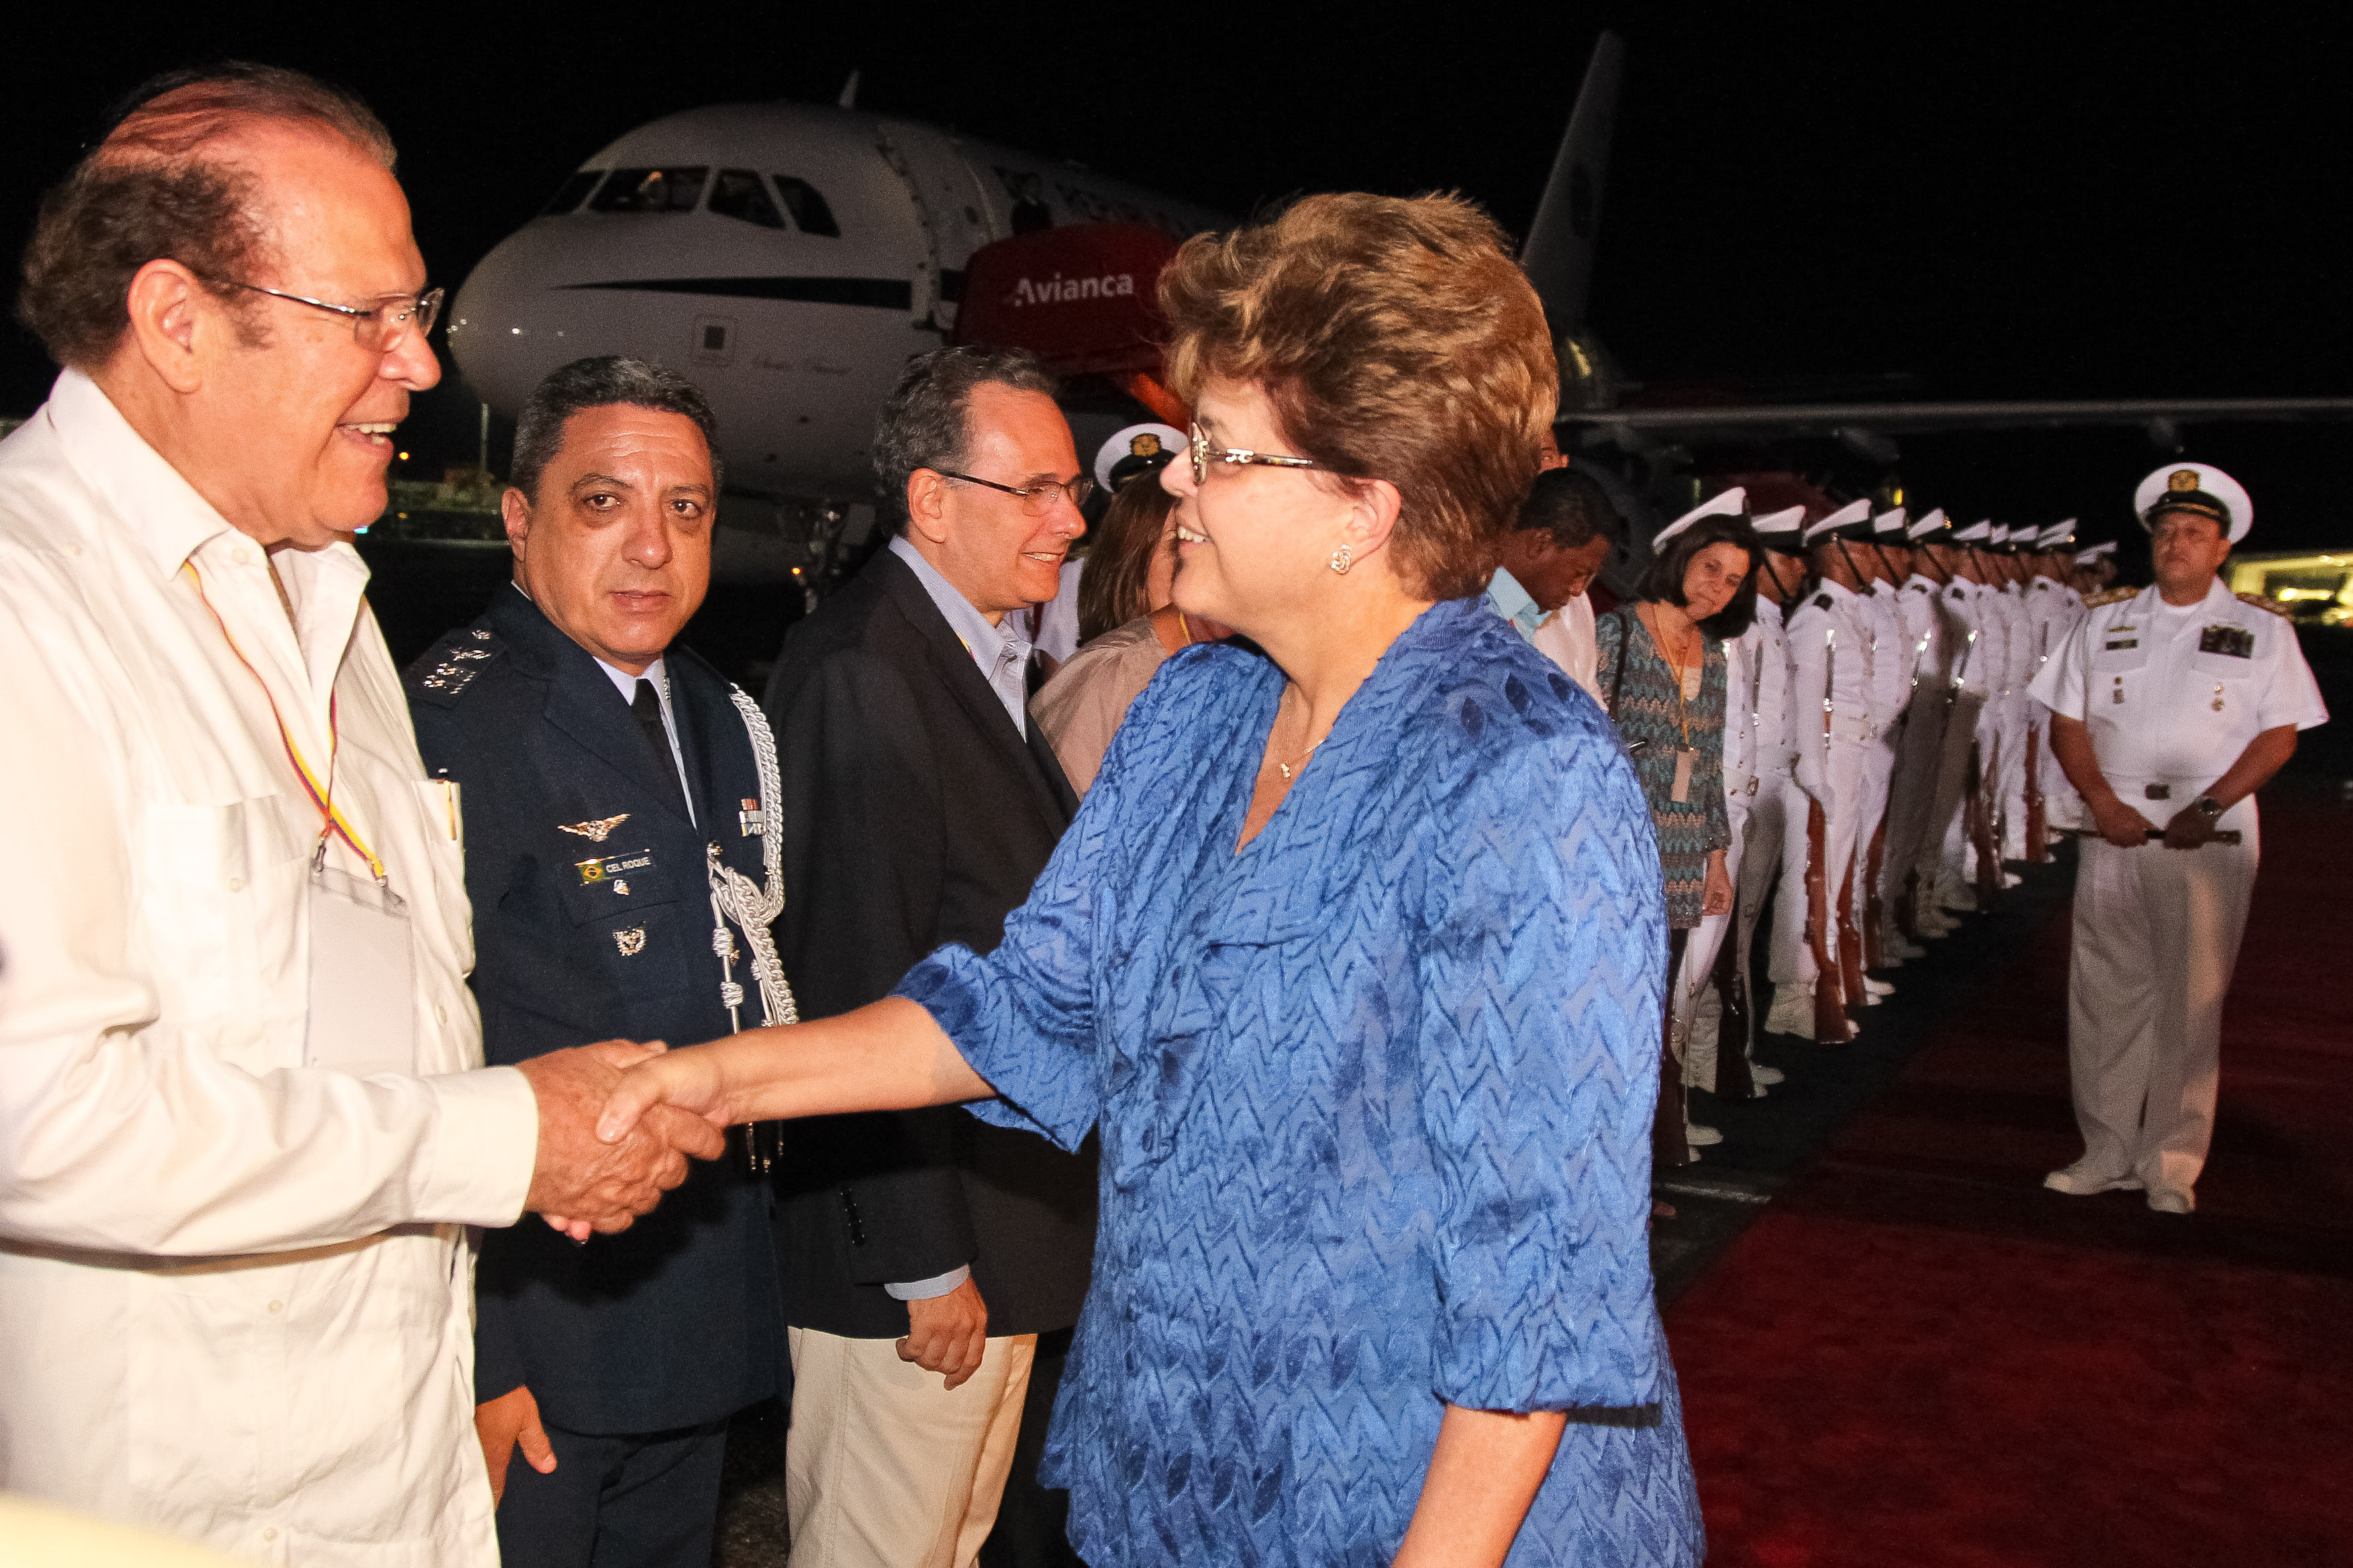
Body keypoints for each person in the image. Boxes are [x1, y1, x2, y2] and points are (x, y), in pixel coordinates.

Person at [609, 191, 1703, 1568]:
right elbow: (1022, 1007)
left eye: (1219, 453)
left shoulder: (1518, 771)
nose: (1173, 481)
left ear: (1359, 507)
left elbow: (1538, 1281)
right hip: (1182, 1481)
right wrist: (716, 1077)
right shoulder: (1196, 712)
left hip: (1416, 1510)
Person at [0, 65, 719, 1563]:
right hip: (151, 1510)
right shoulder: (29, 604)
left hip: (393, 1477)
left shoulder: (327, 605)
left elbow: (394, 1018)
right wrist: (503, 1135)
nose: (419, 365)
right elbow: (41, 1109)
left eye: (420, 309)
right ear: (179, 324)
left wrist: (523, 1177)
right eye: (369, 316)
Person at [404, 358, 789, 1568]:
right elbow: (419, 1041)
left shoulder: (723, 713)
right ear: (520, 518)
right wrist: (483, 1357)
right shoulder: (458, 722)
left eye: (686, 509)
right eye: (602, 502)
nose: (652, 549)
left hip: (690, 1305)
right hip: (543, 1331)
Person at [758, 344, 1098, 1568]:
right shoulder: (868, 669)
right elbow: (856, 971)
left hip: (994, 1243)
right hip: (919, 1268)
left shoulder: (978, 653)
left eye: (1072, 491)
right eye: (1039, 491)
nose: (1069, 519)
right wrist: (922, 1259)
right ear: (933, 501)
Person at [2031, 463, 2326, 1214]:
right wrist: (2099, 801)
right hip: (2114, 831)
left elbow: (2279, 737)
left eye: (2193, 533)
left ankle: (2169, 1163)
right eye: (2164, 532)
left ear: (2220, 547)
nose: (2175, 544)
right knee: (2103, 997)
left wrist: (2211, 804)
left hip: (2207, 837)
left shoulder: (2263, 630)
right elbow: (2066, 722)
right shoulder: (2103, 622)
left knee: (2189, 1004)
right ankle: (2103, 1150)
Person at [1597, 492, 1754, 1165]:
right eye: (1708, 568)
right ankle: (1615, 1145)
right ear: (1679, 558)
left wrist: (1716, 860)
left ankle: (1653, 1144)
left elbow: (1711, 758)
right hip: (1620, 841)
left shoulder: (1714, 654)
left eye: (1732, 581)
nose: (1716, 589)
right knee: (1613, 995)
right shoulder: (1621, 634)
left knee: (1659, 997)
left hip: (1685, 845)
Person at [1683, 504, 1805, 1104]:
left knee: (1738, 935)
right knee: (1707, 949)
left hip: (1751, 794)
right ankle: (1701, 1065)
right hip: (1720, 804)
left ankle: (1727, 1053)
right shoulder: (1714, 631)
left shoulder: (1757, 625)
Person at [1036, 462, 1232, 794]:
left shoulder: (1259, 662)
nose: (1202, 561)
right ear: (1129, 566)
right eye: (1183, 542)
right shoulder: (1110, 679)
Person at [1764, 508, 1881, 1043]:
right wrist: (1814, 774)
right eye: (1870, 548)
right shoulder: (1819, 614)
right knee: (1812, 879)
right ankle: (1798, 992)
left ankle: (1818, 985)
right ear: (1840, 551)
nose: (1882, 558)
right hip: (1827, 758)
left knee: (1829, 878)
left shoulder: (1845, 612)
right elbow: (1809, 701)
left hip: (1848, 751)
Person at [1486, 461, 1622, 700]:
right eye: (1579, 572)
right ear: (1541, 543)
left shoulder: (1533, 611)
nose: (1579, 589)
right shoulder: (1462, 602)